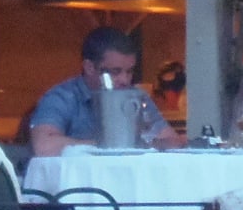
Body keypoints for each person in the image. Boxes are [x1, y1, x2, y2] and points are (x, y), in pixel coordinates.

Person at [28, 26, 182, 155]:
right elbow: (44, 146)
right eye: (115, 72)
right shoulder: (62, 97)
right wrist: (110, 145)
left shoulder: (136, 97)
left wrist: (147, 144)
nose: (124, 79)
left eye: (129, 71)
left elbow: (173, 142)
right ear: (89, 67)